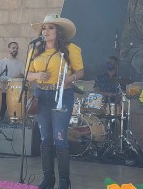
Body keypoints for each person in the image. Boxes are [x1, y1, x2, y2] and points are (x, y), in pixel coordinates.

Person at [27, 14, 84, 189]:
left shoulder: (70, 48)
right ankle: (48, 179)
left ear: (58, 31)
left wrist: (70, 78)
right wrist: (37, 75)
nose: (46, 31)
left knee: (60, 138)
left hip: (62, 95)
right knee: (45, 138)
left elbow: (81, 72)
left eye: (51, 27)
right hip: (41, 95)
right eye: (44, 28)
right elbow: (27, 75)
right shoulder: (35, 50)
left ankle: (65, 182)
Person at [0, 42, 25, 122]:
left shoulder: (21, 63)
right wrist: (10, 79)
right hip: (3, 92)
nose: (15, 50)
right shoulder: (1, 62)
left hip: (16, 94)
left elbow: (26, 76)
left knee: (16, 117)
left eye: (17, 48)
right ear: (8, 49)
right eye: (13, 48)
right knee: (0, 116)